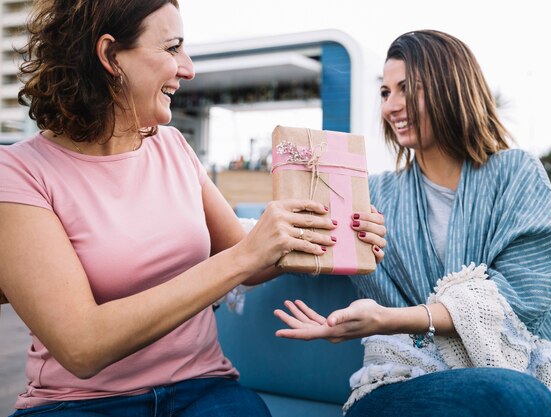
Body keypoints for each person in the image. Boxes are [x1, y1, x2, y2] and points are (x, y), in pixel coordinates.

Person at [0, 1, 385, 415]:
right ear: (110, 55)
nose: (188, 68)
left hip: (202, 389)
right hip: (79, 404)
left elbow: (251, 260)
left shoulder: (174, 146)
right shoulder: (20, 172)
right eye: (172, 48)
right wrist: (243, 255)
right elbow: (82, 346)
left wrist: (342, 231)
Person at [274, 30, 551, 417]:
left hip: (513, 377)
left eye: (407, 89)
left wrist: (386, 318)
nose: (392, 105)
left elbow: (521, 296)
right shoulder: (368, 194)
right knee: (514, 398)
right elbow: (292, 245)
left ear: (452, 88)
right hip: (401, 381)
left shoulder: (519, 174)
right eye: (384, 92)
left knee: (518, 395)